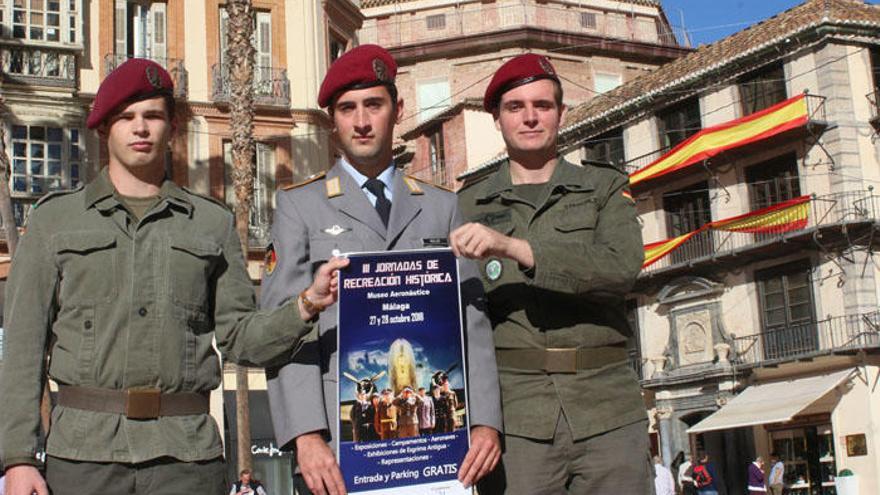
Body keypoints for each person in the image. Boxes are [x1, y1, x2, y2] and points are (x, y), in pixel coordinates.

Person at [0, 59, 321, 495]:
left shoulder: (212, 224)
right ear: (104, 130)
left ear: (172, 129)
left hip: (185, 460)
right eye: (127, 117)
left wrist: (304, 306)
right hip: (82, 459)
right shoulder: (53, 221)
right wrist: (18, 459)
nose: (141, 128)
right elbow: (22, 346)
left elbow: (240, 338)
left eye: (152, 116)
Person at [260, 44, 503, 495]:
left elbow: (474, 323)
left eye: (374, 104)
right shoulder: (299, 207)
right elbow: (284, 333)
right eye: (348, 109)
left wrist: (486, 421)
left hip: (441, 452)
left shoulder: (442, 205)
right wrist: (306, 437)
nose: (362, 121)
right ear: (334, 121)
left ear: (398, 109)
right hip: (338, 448)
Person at [450, 53, 647, 494]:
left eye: (543, 105)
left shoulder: (605, 188)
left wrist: (513, 247)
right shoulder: (466, 206)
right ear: (496, 120)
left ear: (561, 113)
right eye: (515, 107)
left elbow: (621, 267)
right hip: (516, 418)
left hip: (608, 409)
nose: (531, 117)